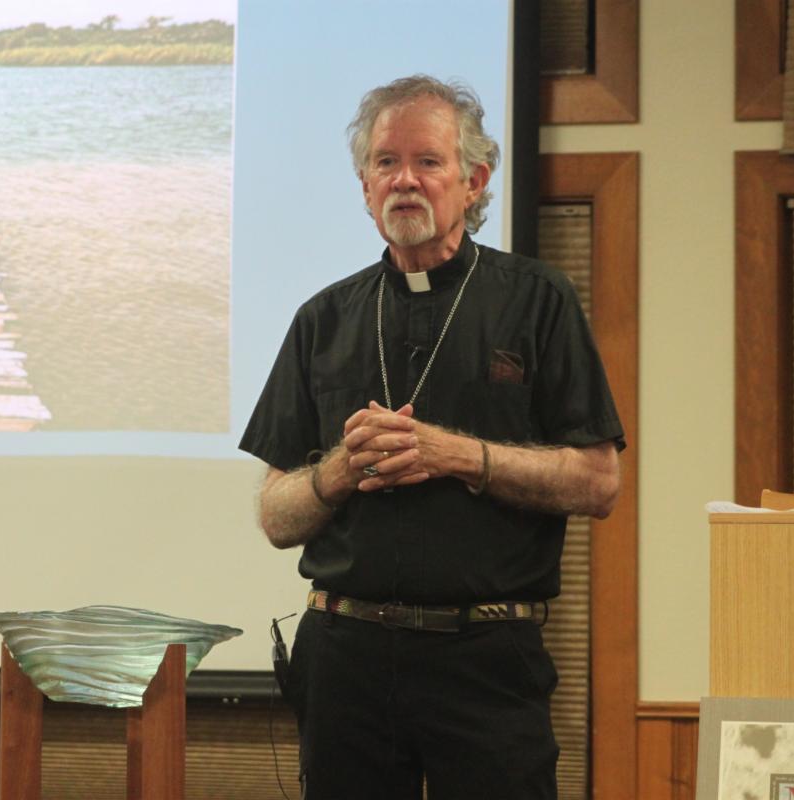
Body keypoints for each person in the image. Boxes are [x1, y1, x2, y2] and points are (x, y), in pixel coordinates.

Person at [239, 75, 625, 800]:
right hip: (347, 659)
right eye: (386, 163)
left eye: (428, 162)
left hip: (485, 659)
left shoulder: (537, 301)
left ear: (474, 181)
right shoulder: (323, 319)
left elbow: (599, 482)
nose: (405, 181)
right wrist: (340, 472)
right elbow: (276, 516)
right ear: (364, 187)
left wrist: (462, 457)